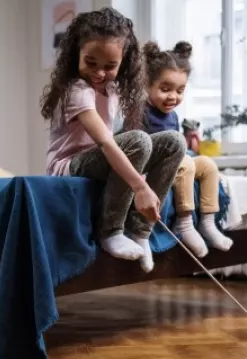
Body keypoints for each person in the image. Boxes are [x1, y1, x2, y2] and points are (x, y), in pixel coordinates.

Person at [41, 7, 186, 273]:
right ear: (76, 55)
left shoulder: (114, 90)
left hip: (98, 159)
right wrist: (139, 187)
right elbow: (108, 143)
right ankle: (110, 231)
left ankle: (140, 231)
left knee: (174, 142)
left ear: (124, 62)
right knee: (138, 141)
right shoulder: (76, 89)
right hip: (69, 166)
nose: (99, 73)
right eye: (91, 63)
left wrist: (139, 175)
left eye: (110, 66)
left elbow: (119, 142)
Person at [141, 40, 233, 258]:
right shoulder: (141, 112)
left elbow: (176, 143)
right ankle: (184, 223)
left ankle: (208, 222)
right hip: (157, 166)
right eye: (165, 89)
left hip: (177, 160)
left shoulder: (172, 115)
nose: (173, 96)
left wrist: (188, 141)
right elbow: (135, 146)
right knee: (184, 164)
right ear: (147, 84)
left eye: (180, 90)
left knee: (208, 165)